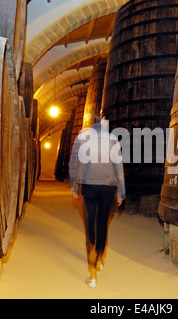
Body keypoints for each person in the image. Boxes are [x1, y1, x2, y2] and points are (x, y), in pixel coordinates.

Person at [69, 110, 126, 288]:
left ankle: (92, 275)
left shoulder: (83, 138)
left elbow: (75, 163)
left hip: (89, 185)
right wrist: (121, 192)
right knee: (102, 223)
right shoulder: (113, 139)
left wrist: (75, 186)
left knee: (90, 226)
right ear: (103, 123)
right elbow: (119, 168)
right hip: (108, 186)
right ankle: (100, 259)